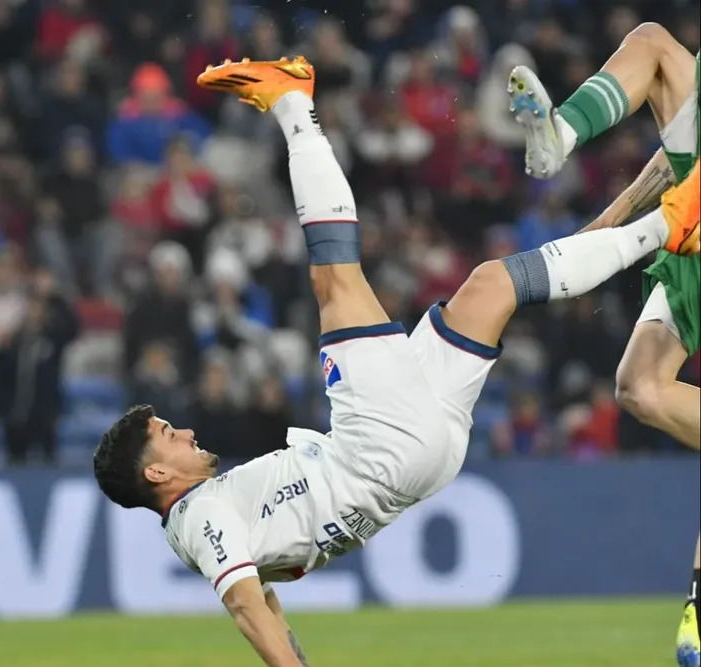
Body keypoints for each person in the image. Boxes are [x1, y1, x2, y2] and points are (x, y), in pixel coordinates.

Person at [92, 57, 701, 667]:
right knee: (335, 280)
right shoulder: (199, 520)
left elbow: (268, 607)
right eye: (169, 436)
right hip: (374, 450)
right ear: (156, 476)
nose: (187, 431)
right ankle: (292, 102)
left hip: (419, 458)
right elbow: (249, 609)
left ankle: (667, 221)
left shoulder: (211, 524)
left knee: (491, 286)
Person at [508, 24, 700, 667]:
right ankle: (557, 137)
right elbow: (676, 154)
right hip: (691, 228)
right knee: (640, 388)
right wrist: (600, 228)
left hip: (690, 221)